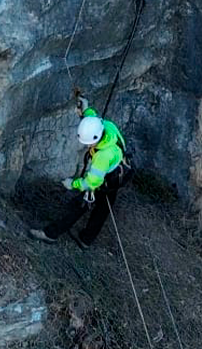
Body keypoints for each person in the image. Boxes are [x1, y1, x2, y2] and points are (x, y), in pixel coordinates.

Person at [29, 102, 129, 247]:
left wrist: (73, 184)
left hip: (105, 180)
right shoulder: (107, 127)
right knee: (103, 208)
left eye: (88, 144)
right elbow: (93, 118)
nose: (87, 146)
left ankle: (51, 234)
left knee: (79, 205)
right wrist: (85, 108)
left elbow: (91, 183)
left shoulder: (103, 157)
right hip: (117, 172)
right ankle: (86, 239)